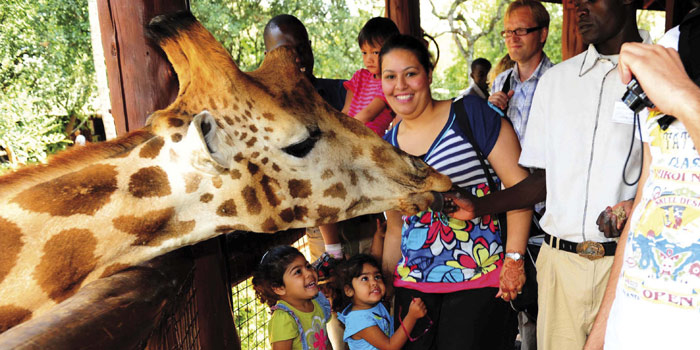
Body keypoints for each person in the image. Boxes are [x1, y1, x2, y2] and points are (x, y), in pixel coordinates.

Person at [445, 1, 651, 349]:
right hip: (560, 266)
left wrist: (633, 204)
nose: (581, 11)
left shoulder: (663, 74)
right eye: (576, 3)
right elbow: (543, 180)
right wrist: (480, 206)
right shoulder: (558, 82)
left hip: (629, 265)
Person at [380, 34, 533, 350]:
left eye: (410, 73)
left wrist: (514, 261)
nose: (401, 86)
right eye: (389, 76)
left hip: (480, 281)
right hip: (413, 289)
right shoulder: (386, 146)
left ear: (429, 73)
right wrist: (385, 286)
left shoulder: (470, 114)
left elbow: (521, 187)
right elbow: (396, 228)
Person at [585, 19, 700, 350]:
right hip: (629, 331)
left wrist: (685, 99)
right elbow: (648, 200)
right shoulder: (671, 45)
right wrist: (599, 335)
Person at [489, 0, 553, 142]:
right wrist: (489, 116)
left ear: (542, 34)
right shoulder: (500, 82)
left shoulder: (559, 81)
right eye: (508, 32)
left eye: (521, 30)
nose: (513, 38)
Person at [333, 254, 427, 350]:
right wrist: (411, 317)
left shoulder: (375, 306)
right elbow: (391, 346)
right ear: (349, 290)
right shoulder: (359, 320)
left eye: (377, 277)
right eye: (365, 278)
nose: (374, 282)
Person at [252, 245, 332, 350]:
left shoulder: (317, 302)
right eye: (298, 272)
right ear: (279, 288)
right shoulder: (284, 319)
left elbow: (324, 340)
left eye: (307, 266)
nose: (309, 273)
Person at [341, 17, 399, 137]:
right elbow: (346, 111)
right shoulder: (359, 77)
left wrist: (344, 131)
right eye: (364, 52)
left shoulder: (390, 82)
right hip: (347, 134)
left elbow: (369, 113)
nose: (368, 59)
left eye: (375, 52)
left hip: (370, 142)